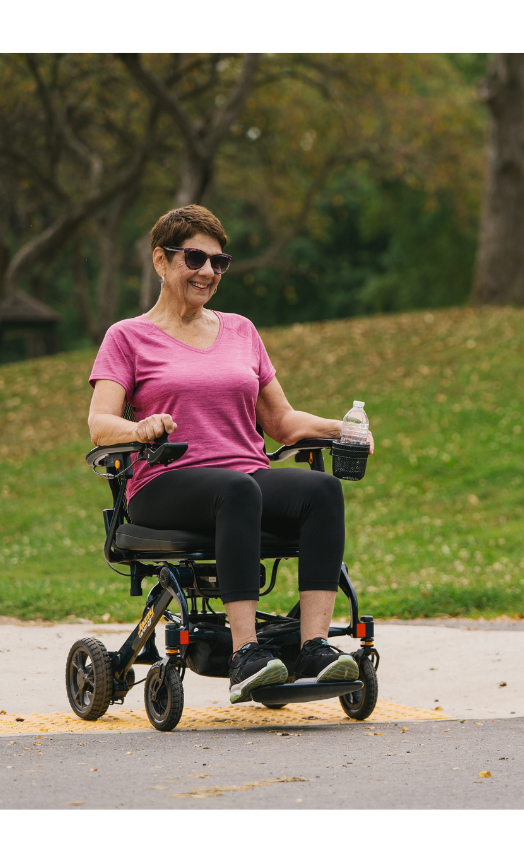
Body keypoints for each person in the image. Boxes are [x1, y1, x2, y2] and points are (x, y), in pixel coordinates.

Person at [87, 204, 372, 703]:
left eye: (219, 263)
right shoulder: (127, 337)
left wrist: (339, 429)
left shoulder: (242, 331)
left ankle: (313, 647)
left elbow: (281, 422)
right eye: (195, 259)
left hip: (242, 477)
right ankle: (247, 655)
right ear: (161, 261)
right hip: (164, 482)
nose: (208, 272)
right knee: (238, 489)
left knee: (321, 489)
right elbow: (99, 423)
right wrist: (141, 426)